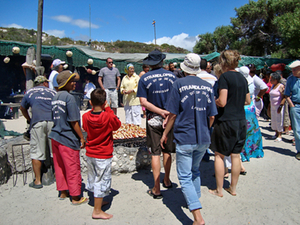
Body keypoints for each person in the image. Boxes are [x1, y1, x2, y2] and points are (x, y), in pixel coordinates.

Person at [160, 53, 217, 225]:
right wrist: (205, 128)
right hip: (203, 137)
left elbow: (172, 114)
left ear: (184, 68)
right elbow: (212, 115)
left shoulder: (178, 84)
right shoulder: (208, 85)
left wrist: (164, 134)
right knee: (195, 171)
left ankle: (197, 217)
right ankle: (194, 200)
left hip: (185, 136)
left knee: (184, 176)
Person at [209, 50, 251, 197]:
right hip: (241, 120)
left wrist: (212, 101)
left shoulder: (225, 77)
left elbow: (222, 101)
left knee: (219, 155)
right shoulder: (242, 78)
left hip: (226, 121)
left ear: (223, 62)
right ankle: (232, 189)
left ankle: (219, 189)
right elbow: (248, 101)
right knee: (235, 155)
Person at [137, 49, 177, 199]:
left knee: (155, 153)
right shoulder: (172, 76)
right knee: (167, 151)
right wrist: (166, 113)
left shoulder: (144, 78)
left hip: (153, 118)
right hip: (170, 118)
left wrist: (159, 112)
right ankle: (166, 179)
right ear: (162, 61)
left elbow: (143, 102)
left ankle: (156, 188)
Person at [49, 70, 88, 205]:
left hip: (55, 136)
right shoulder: (69, 98)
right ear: (65, 83)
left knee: (59, 166)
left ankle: (63, 191)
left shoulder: (55, 97)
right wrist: (82, 138)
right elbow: (74, 121)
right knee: (72, 167)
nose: (74, 84)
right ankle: (76, 196)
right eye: (71, 81)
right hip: (67, 137)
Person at [82, 89, 121, 220]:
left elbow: (86, 129)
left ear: (90, 102)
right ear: (105, 103)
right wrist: (109, 109)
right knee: (101, 180)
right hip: (103, 153)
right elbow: (117, 125)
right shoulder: (108, 116)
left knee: (93, 177)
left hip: (90, 152)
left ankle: (97, 201)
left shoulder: (85, 116)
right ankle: (97, 211)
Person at [20, 76, 56, 189]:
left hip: (37, 122)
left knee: (36, 152)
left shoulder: (29, 92)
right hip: (52, 122)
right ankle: (59, 177)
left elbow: (22, 108)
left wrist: (29, 119)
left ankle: (38, 181)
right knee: (55, 151)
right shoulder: (52, 92)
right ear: (45, 83)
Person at [238, 66, 264, 161]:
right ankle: (254, 150)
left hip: (243, 105)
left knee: (243, 130)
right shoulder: (252, 81)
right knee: (253, 129)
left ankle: (243, 152)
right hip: (251, 106)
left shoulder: (241, 83)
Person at [284, 60, 300, 160]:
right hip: (296, 106)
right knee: (297, 129)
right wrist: (291, 105)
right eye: (292, 70)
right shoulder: (290, 79)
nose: (293, 71)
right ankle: (299, 150)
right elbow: (286, 94)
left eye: (295, 70)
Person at [269, 72, 286, 142]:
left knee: (279, 120)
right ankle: (276, 133)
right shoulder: (273, 86)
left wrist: (280, 106)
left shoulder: (281, 86)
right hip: (272, 105)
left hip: (278, 105)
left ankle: (280, 135)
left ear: (276, 79)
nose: (270, 80)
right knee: (274, 120)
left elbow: (284, 97)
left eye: (272, 79)